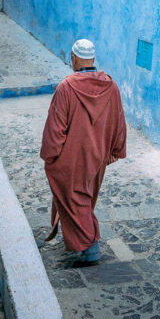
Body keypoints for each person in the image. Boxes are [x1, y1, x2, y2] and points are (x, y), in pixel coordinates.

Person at [40, 39, 127, 267]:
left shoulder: (67, 88)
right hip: (97, 156)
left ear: (74, 58)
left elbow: (55, 128)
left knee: (74, 198)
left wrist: (51, 156)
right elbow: (119, 121)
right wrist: (115, 151)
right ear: (93, 59)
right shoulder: (111, 86)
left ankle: (90, 246)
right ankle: (85, 243)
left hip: (72, 157)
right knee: (84, 197)